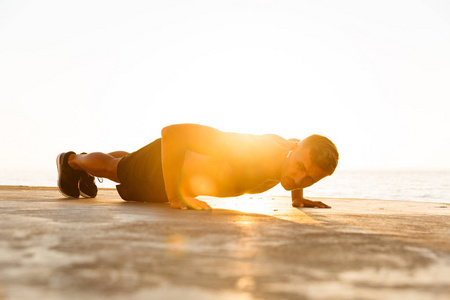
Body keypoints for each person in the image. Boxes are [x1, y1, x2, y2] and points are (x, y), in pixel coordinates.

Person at [56, 124, 339, 210]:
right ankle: (72, 161)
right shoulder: (254, 152)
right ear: (295, 150)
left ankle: (85, 167)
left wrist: (298, 197)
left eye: (310, 178)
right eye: (300, 166)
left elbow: (300, 166)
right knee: (115, 168)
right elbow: (174, 134)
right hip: (166, 170)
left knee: (128, 162)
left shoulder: (293, 151)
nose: (299, 177)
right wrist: (176, 196)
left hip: (177, 173)